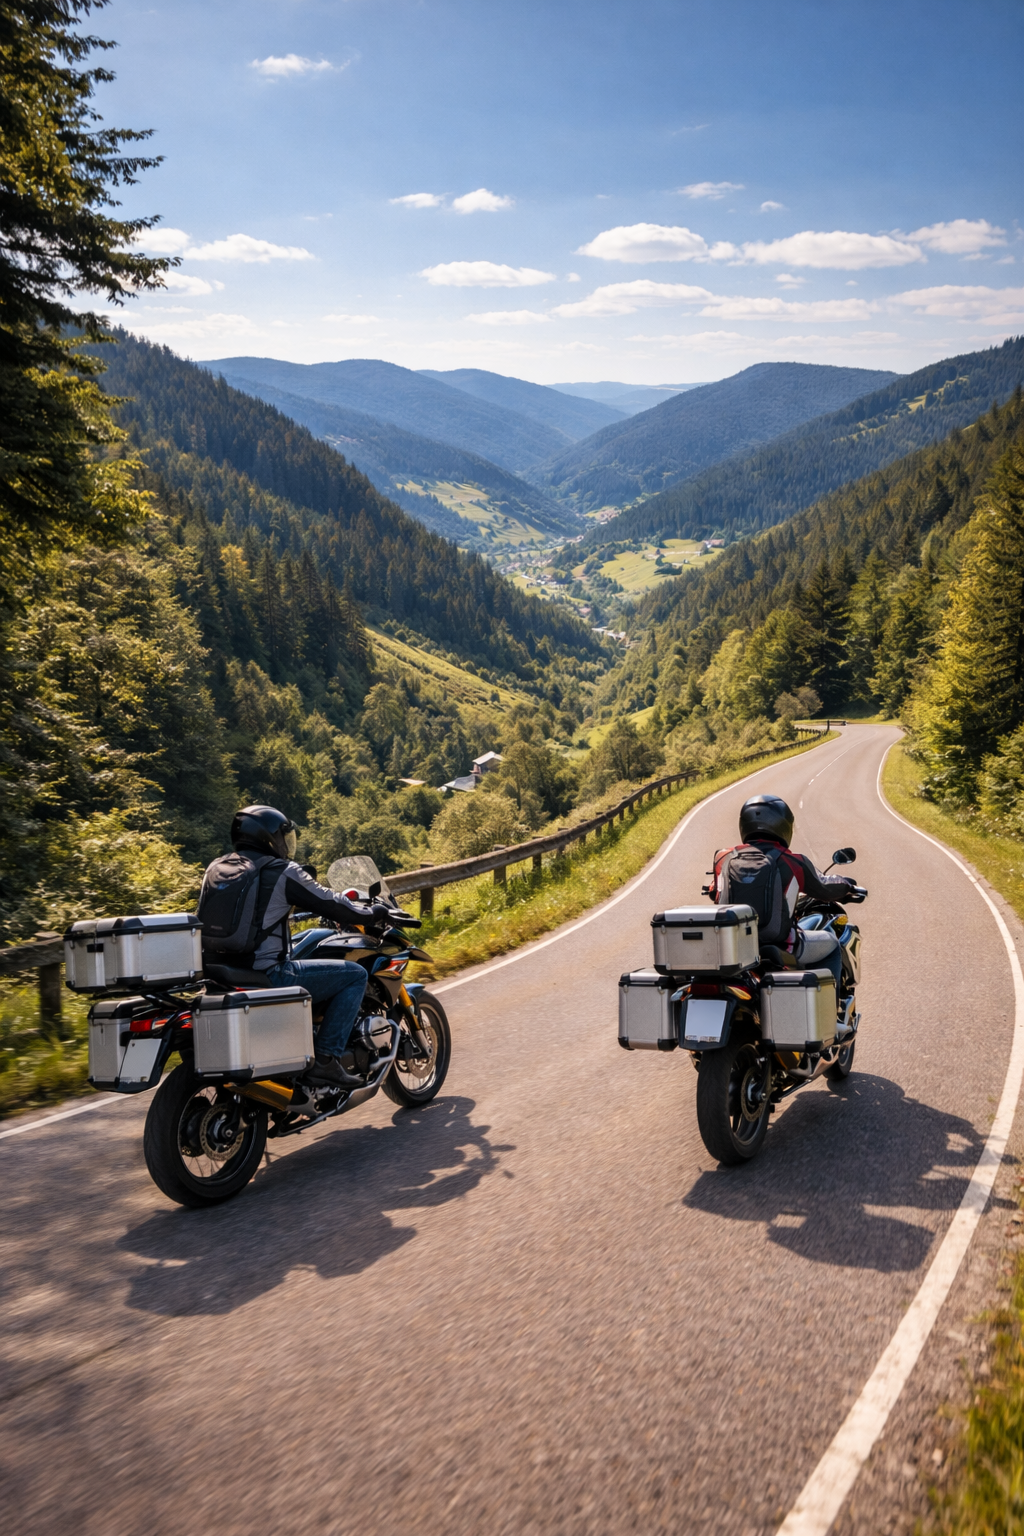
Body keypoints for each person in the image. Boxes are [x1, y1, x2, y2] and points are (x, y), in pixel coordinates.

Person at [198, 805, 393, 1086]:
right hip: (266, 972)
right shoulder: (281, 871)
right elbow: (330, 902)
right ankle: (326, 1058)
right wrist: (372, 913)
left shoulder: (217, 869)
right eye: (281, 836)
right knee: (354, 975)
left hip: (219, 972)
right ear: (268, 838)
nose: (284, 844)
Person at [710, 794, 857, 992]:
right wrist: (847, 886)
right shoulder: (792, 861)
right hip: (781, 946)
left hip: (732, 947)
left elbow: (715, 890)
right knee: (831, 943)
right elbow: (825, 887)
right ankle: (830, 1012)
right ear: (783, 825)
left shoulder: (723, 857)